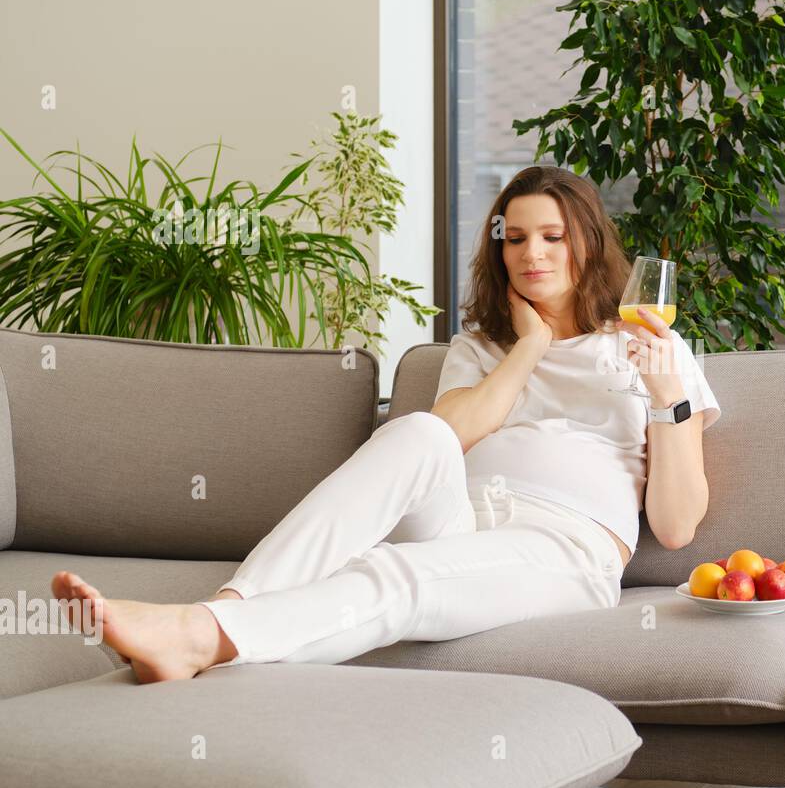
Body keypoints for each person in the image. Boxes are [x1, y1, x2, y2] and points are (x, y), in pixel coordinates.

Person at [50, 165, 722, 683]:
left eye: (553, 237)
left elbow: (675, 525)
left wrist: (666, 393)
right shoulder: (482, 348)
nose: (531, 254)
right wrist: (530, 348)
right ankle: (226, 606)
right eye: (515, 238)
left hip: (564, 547)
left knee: (395, 573)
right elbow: (449, 437)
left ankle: (201, 636)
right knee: (418, 432)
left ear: (588, 244)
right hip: (461, 513)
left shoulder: (650, 350)